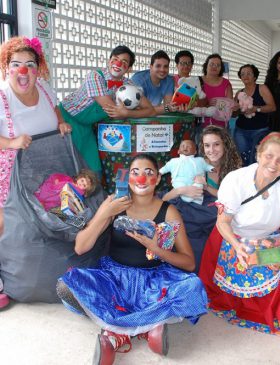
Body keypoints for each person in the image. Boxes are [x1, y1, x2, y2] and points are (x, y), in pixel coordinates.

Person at [56, 154, 207, 364]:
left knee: (193, 287)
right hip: (115, 279)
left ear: (158, 179)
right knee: (66, 286)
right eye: (135, 173)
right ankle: (146, 329)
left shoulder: (169, 211)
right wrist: (105, 213)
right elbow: (81, 247)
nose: (141, 178)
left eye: (149, 173)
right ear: (127, 178)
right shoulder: (115, 203)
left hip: (155, 282)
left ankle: (116, 335)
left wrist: (157, 249)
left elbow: (189, 263)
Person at [199, 132, 280, 338]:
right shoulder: (236, 179)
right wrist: (236, 245)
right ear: (259, 154)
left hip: (268, 240)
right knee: (246, 256)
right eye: (269, 156)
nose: (273, 163)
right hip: (231, 239)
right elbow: (222, 222)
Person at [0, 36, 71, 308]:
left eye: (30, 64)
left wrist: (62, 124)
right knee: (6, 222)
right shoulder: (2, 96)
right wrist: (11, 142)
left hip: (43, 168)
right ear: (7, 67)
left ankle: (34, 274)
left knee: (40, 221)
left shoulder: (44, 87)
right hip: (9, 171)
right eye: (16, 64)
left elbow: (56, 112)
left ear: (38, 68)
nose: (23, 71)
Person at [60, 45, 154, 175]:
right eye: (115, 59)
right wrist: (126, 112)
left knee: (94, 169)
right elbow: (112, 111)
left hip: (87, 126)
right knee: (69, 166)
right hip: (68, 119)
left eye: (124, 62)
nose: (118, 63)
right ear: (109, 61)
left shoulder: (128, 84)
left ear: (129, 69)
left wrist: (127, 113)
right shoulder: (95, 76)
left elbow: (149, 109)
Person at [162, 126, 242, 271]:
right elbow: (166, 198)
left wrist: (206, 188)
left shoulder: (235, 168)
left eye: (216, 144)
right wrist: (182, 190)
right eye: (207, 145)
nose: (211, 150)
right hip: (192, 216)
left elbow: (234, 197)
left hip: (217, 217)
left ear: (225, 144)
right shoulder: (194, 164)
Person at [233, 64, 276, 166]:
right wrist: (237, 110)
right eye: (242, 74)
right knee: (243, 159)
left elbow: (272, 107)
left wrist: (256, 109)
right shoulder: (239, 92)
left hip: (260, 130)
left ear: (255, 76)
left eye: (249, 73)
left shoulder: (261, 88)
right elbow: (234, 114)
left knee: (258, 159)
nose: (245, 76)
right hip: (241, 131)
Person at [159, 139, 214, 205]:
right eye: (183, 146)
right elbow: (166, 168)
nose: (185, 147)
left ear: (195, 152)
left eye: (188, 146)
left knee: (199, 185)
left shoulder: (200, 160)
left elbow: (206, 166)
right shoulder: (174, 161)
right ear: (178, 151)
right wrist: (160, 172)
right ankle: (186, 197)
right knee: (179, 186)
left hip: (195, 181)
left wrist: (211, 169)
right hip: (180, 182)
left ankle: (197, 200)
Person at [131, 50, 178, 115]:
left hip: (154, 117)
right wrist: (166, 108)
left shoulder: (169, 80)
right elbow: (138, 110)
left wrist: (168, 108)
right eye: (158, 66)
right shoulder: (138, 79)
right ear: (151, 67)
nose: (162, 70)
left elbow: (169, 105)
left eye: (166, 66)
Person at [200, 53, 234, 128]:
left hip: (222, 127)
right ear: (206, 66)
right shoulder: (198, 81)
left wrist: (234, 106)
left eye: (218, 65)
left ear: (221, 68)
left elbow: (229, 105)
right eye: (212, 64)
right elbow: (192, 104)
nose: (214, 67)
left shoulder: (226, 83)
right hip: (201, 127)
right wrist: (206, 105)